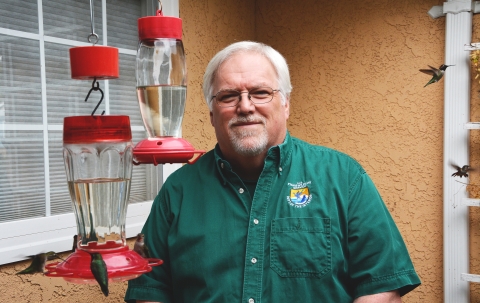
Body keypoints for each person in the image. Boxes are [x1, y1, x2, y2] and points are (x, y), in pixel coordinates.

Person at [125, 41, 421, 303]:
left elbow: (381, 287)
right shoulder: (178, 192)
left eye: (260, 92)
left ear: (286, 103)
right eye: (228, 96)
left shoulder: (345, 178)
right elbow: (151, 292)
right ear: (211, 113)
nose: (245, 106)